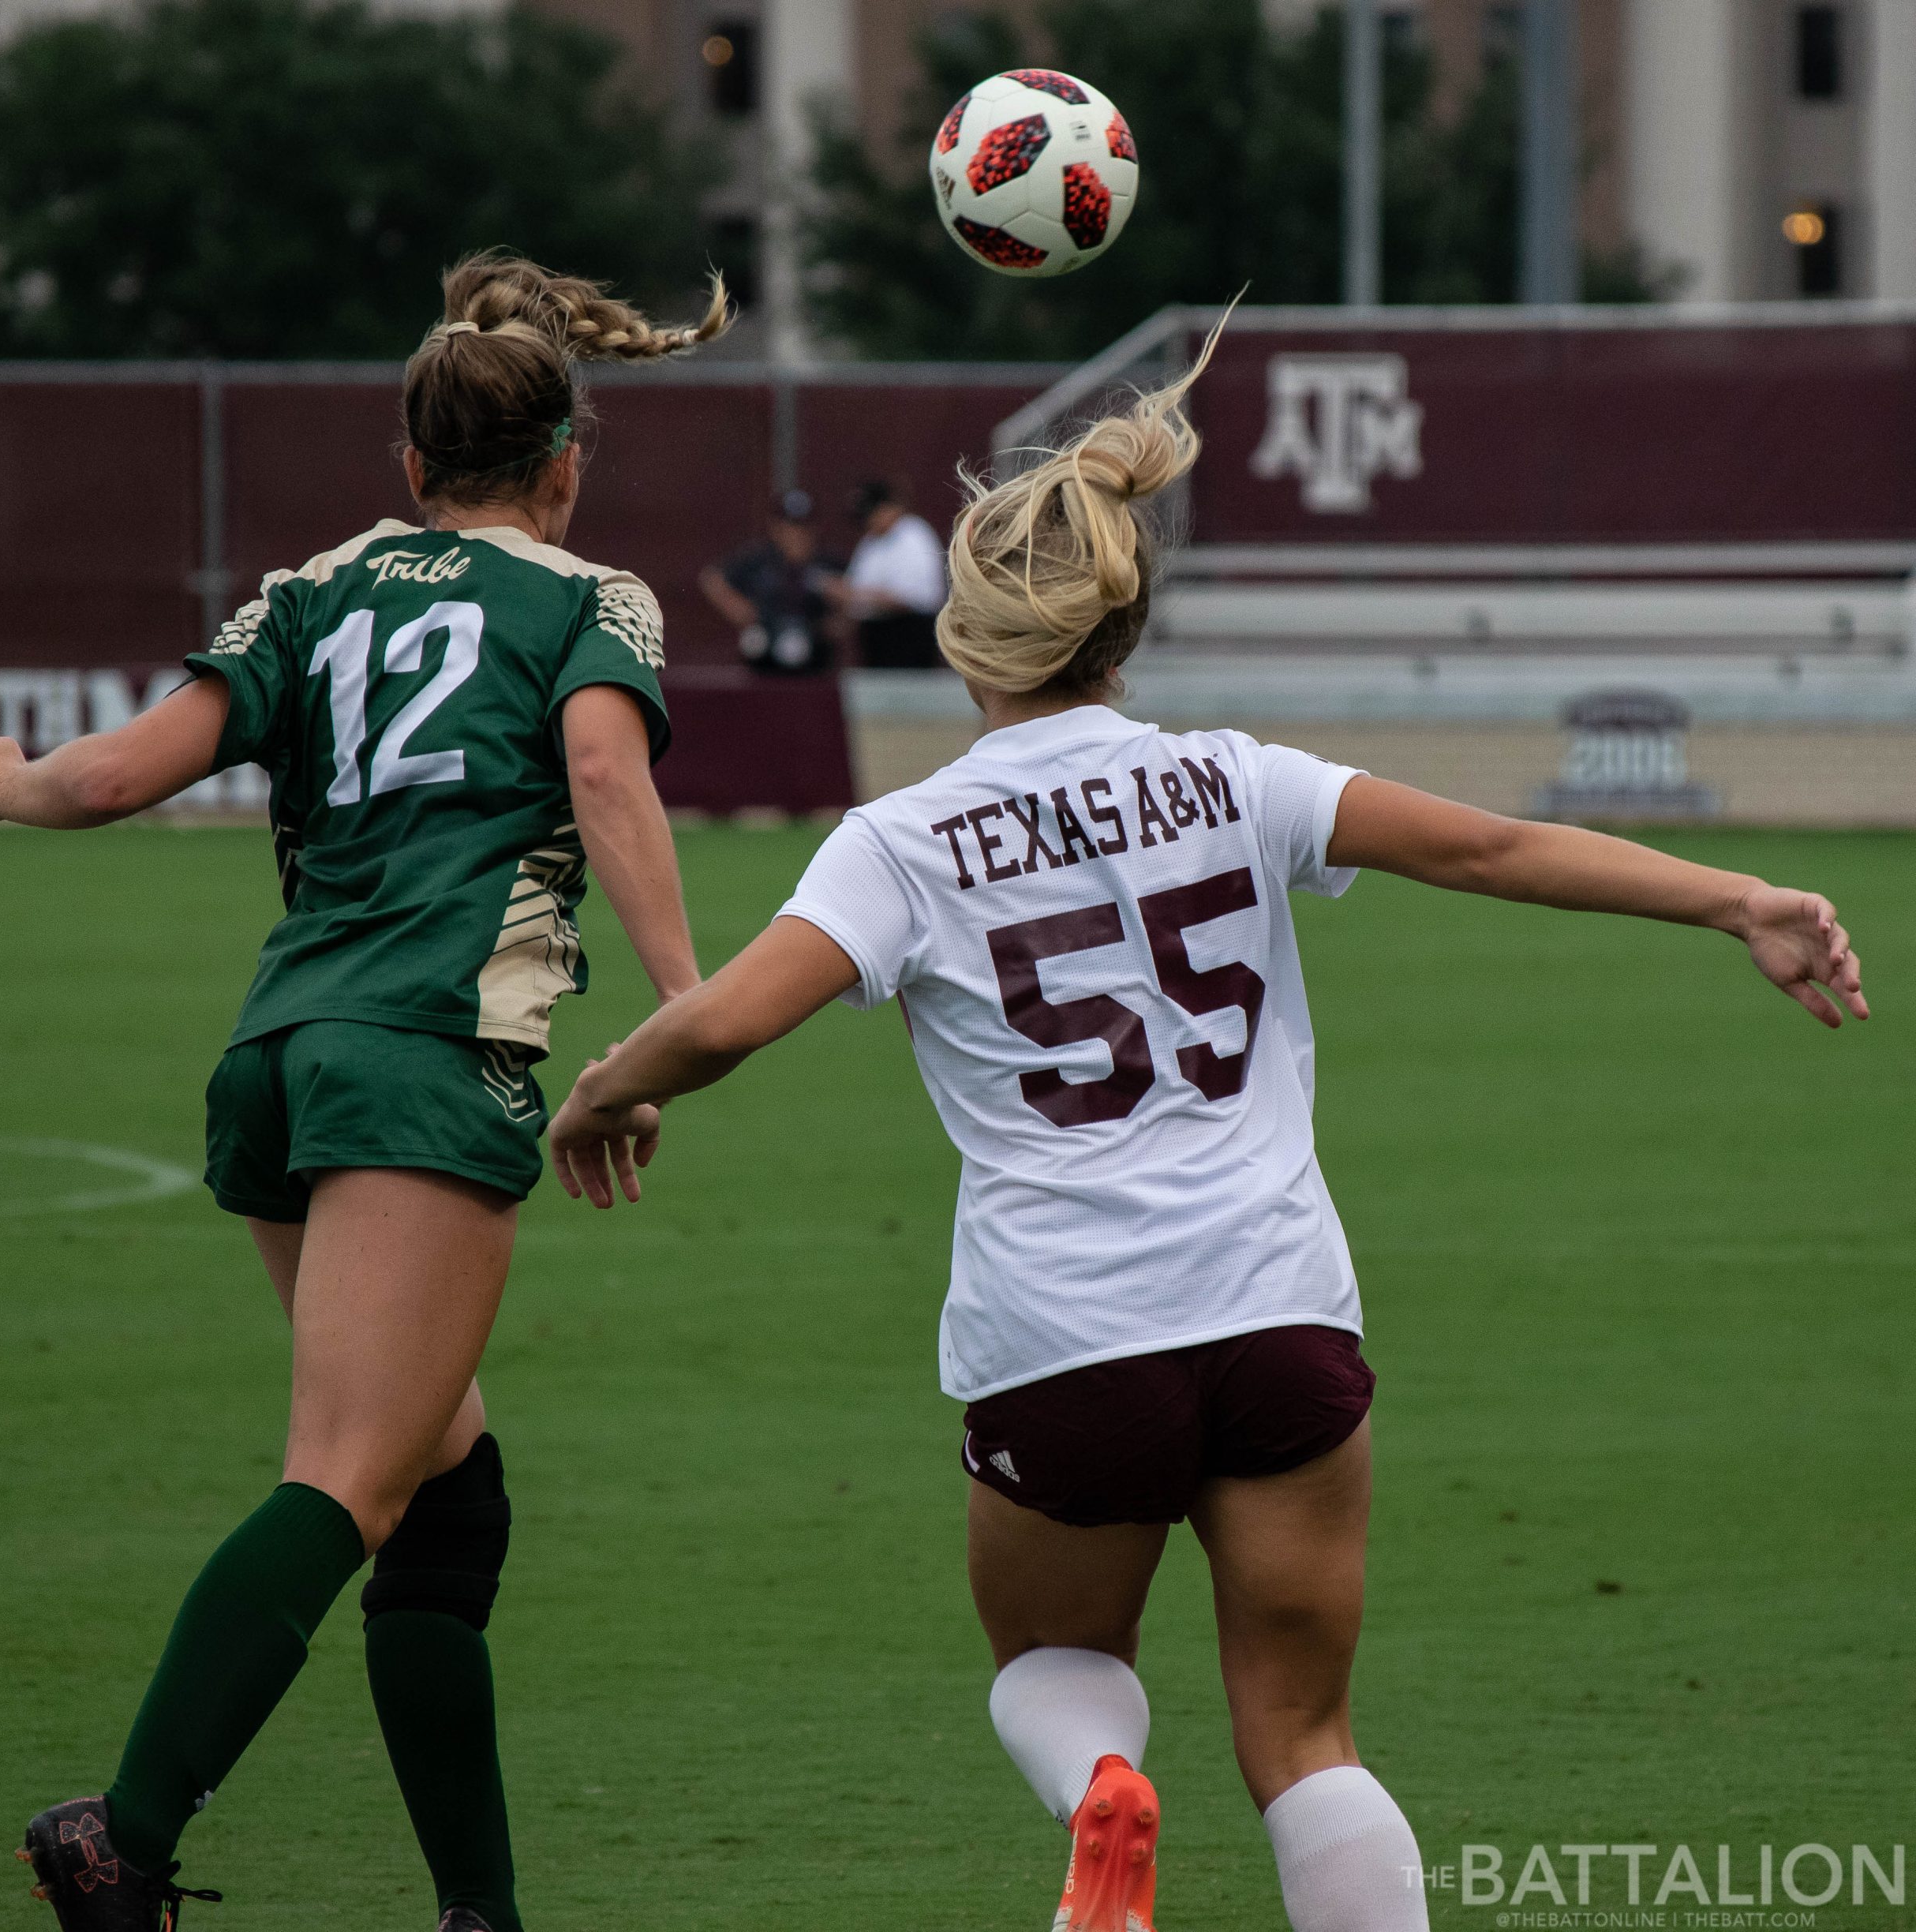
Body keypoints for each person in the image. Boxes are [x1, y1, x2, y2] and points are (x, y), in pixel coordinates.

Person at [540, 346, 1867, 1932]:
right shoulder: (1237, 780)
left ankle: (1101, 1801)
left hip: (1065, 1331)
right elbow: (1496, 846)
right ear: (1123, 622)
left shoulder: (897, 843)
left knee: (1055, 1666)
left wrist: (609, 1085)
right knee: (1306, 1741)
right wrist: (1740, 900)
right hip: (1276, 1311)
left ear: (963, 638)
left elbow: (731, 1020)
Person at [0, 252, 725, 1932]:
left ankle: (478, 1912)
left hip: (278, 1060)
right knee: (348, 1474)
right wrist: (686, 1016)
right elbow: (599, 778)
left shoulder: (313, 585)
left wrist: (6, 784)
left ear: (412, 467)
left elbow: (122, 771)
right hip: (425, 1063)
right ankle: (121, 1840)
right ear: (565, 466)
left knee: (444, 1487)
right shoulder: (591, 600)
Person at [699, 488, 840, 675]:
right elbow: (712, 578)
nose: (795, 534)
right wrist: (739, 609)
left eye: (801, 527)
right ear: (776, 528)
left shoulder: (826, 562)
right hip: (765, 644)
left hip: (813, 651)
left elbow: (856, 594)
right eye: (789, 527)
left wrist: (836, 621)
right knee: (754, 644)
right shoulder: (759, 559)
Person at [835, 478, 947, 668]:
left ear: (889, 508)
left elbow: (915, 598)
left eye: (872, 514)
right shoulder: (870, 542)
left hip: (909, 635)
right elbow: (853, 587)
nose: (868, 522)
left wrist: (859, 595)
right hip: (875, 636)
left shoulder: (915, 535)